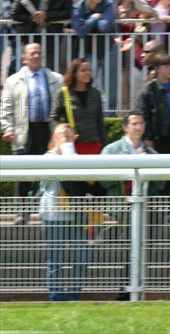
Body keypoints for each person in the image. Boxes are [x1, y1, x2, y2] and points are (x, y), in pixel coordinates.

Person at [100, 111, 162, 300]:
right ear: (125, 127)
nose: (139, 127)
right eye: (134, 123)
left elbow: (160, 183)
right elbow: (102, 181)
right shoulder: (111, 150)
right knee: (126, 251)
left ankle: (135, 289)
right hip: (121, 210)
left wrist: (147, 164)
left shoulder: (151, 153)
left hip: (144, 210)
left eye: (141, 123)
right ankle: (125, 290)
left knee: (142, 250)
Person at [0, 43, 63, 199]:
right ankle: (22, 214)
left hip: (49, 131)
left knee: (48, 173)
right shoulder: (12, 81)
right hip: (24, 132)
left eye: (38, 53)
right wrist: (8, 129)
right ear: (24, 59)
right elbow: (5, 109)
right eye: (32, 53)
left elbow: (63, 108)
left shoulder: (56, 79)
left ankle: (46, 213)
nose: (36, 56)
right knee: (23, 176)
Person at [39, 124, 88, 301]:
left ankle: (74, 294)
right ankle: (56, 294)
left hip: (76, 214)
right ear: (54, 137)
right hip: (53, 215)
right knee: (54, 257)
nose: (67, 139)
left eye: (70, 136)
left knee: (81, 256)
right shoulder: (47, 157)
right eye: (63, 135)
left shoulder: (77, 158)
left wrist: (72, 157)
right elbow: (49, 184)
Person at [49, 58, 108, 155]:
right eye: (83, 70)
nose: (87, 73)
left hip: (93, 145)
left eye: (89, 70)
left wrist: (105, 145)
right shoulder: (63, 93)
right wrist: (62, 132)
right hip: (72, 146)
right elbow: (53, 118)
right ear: (74, 74)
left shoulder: (95, 94)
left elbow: (99, 121)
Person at [137, 53, 170, 159]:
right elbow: (144, 116)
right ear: (158, 69)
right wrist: (148, 137)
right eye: (166, 66)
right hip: (157, 137)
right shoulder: (149, 90)